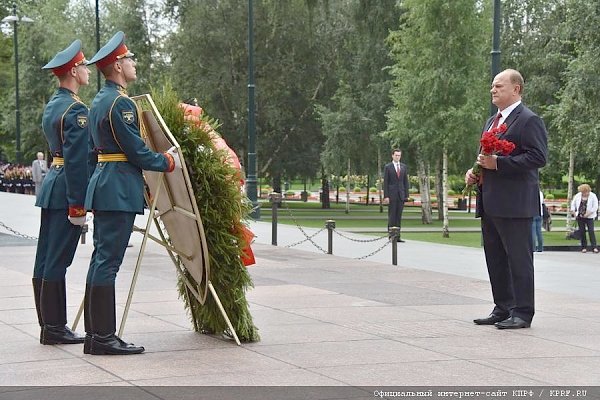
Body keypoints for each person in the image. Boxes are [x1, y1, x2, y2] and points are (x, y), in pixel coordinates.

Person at [84, 32, 180, 355]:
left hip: (105, 184)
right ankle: (105, 337)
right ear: (117, 66)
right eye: (128, 59)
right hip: (117, 189)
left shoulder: (98, 101)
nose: (133, 63)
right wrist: (166, 161)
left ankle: (94, 335)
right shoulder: (120, 104)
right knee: (108, 263)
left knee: (100, 260)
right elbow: (137, 152)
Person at [466, 69, 548, 329]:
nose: (493, 90)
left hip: (515, 204)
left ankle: (522, 312)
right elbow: (486, 158)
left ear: (516, 89)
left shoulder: (528, 120)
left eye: (499, 86)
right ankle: (502, 307)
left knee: (518, 260)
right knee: (496, 258)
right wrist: (475, 171)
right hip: (490, 201)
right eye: (492, 86)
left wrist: (498, 164)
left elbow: (538, 157)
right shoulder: (492, 121)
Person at [34, 40, 91, 345]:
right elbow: (77, 162)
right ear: (72, 70)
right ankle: (55, 327)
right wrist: (78, 206)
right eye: (83, 67)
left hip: (52, 187)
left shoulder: (53, 105)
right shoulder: (76, 109)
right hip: (66, 189)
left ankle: (47, 323)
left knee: (45, 258)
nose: (88, 72)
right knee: (58, 259)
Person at [383, 148, 409, 242]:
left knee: (399, 216)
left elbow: (405, 181)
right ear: (392, 155)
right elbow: (385, 182)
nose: (398, 157)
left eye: (399, 155)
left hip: (401, 195)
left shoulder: (403, 167)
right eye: (396, 155)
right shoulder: (388, 167)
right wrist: (386, 196)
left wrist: (406, 195)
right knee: (392, 216)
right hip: (392, 195)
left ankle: (398, 236)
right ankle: (391, 236)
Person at [570, 184, 598, 253]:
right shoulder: (578, 195)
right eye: (582, 192)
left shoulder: (593, 196)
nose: (584, 194)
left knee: (591, 231)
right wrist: (574, 212)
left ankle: (594, 247)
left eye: (585, 192)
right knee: (582, 231)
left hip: (589, 216)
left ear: (588, 191)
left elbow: (595, 206)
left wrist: (588, 213)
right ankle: (584, 247)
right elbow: (573, 204)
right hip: (580, 216)